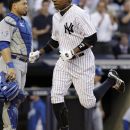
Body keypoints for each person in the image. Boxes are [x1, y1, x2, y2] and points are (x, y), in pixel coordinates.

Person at [29, 0, 125, 130]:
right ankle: (64, 128)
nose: (54, 1)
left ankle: (110, 80)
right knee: (56, 95)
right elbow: (54, 42)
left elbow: (92, 38)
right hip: (63, 61)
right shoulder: (56, 17)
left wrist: (73, 52)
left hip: (82, 60)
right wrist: (39, 53)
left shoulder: (79, 13)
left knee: (88, 103)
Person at [0, 0, 32, 129]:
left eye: (27, 3)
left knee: (17, 99)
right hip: (11, 62)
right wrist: (10, 66)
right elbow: (3, 44)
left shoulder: (24, 22)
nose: (26, 6)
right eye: (23, 3)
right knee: (10, 99)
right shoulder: (7, 21)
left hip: (23, 63)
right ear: (14, 5)